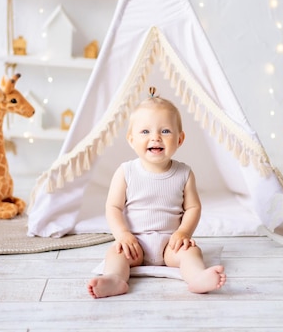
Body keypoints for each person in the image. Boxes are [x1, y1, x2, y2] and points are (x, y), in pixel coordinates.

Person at [87, 87, 227, 299]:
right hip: (135, 244)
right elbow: (113, 208)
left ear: (180, 139)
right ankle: (115, 279)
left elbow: (193, 207)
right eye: (145, 132)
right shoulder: (126, 172)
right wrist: (123, 235)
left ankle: (197, 277)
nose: (156, 138)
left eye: (165, 131)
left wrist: (184, 233)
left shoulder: (184, 173)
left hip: (171, 244)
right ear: (131, 139)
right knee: (115, 253)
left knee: (191, 253)